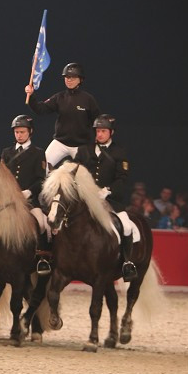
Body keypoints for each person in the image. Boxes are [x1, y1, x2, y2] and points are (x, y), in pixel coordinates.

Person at [75, 114, 138, 282]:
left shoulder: (119, 152)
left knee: (126, 226)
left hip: (110, 200)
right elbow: (75, 172)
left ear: (111, 133)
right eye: (97, 131)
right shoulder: (84, 150)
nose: (100, 134)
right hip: (86, 199)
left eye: (103, 131)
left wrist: (108, 190)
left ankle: (127, 263)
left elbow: (122, 178)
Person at [25, 62, 101, 168]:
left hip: (81, 146)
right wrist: (31, 96)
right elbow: (40, 109)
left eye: (73, 77)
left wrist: (96, 142)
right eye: (67, 77)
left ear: (81, 79)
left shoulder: (88, 99)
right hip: (60, 143)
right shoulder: (59, 97)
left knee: (88, 174)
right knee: (42, 168)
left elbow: (97, 122)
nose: (69, 80)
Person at [0, 114, 51, 274]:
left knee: (42, 224)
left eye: (22, 132)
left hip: (29, 201)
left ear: (30, 132)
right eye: (16, 132)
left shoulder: (38, 153)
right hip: (7, 201)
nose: (19, 135)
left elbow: (41, 179)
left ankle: (42, 257)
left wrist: (29, 191)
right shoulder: (6, 152)